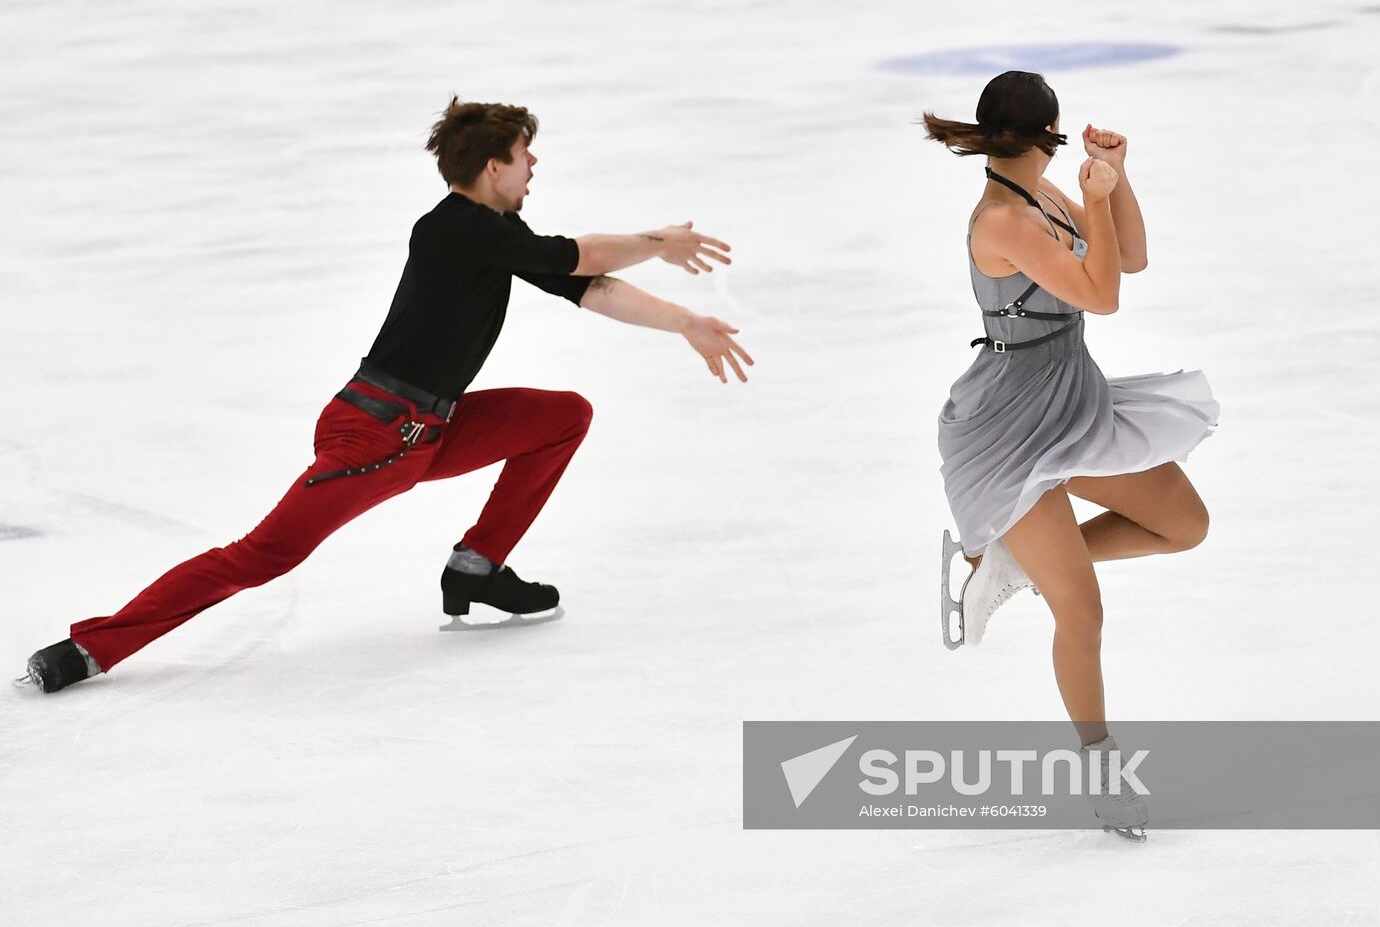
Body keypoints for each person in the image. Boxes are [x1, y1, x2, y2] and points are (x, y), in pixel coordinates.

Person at [20, 98, 754, 695]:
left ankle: (477, 569)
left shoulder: (495, 230)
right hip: (376, 437)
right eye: (526, 155)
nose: (535, 166)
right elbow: (585, 257)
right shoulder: (454, 229)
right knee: (260, 556)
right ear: (495, 166)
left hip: (425, 433)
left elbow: (588, 285)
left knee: (561, 416)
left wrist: (686, 321)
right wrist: (658, 239)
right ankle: (90, 647)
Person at [925, 71, 1219, 840]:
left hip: (1070, 397)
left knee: (1183, 523)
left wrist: (1115, 183)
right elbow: (1102, 296)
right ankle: (1100, 768)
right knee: (1080, 608)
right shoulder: (1001, 219)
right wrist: (1093, 195)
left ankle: (1011, 565)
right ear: (1049, 131)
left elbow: (1132, 257)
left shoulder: (1042, 195)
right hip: (1010, 423)